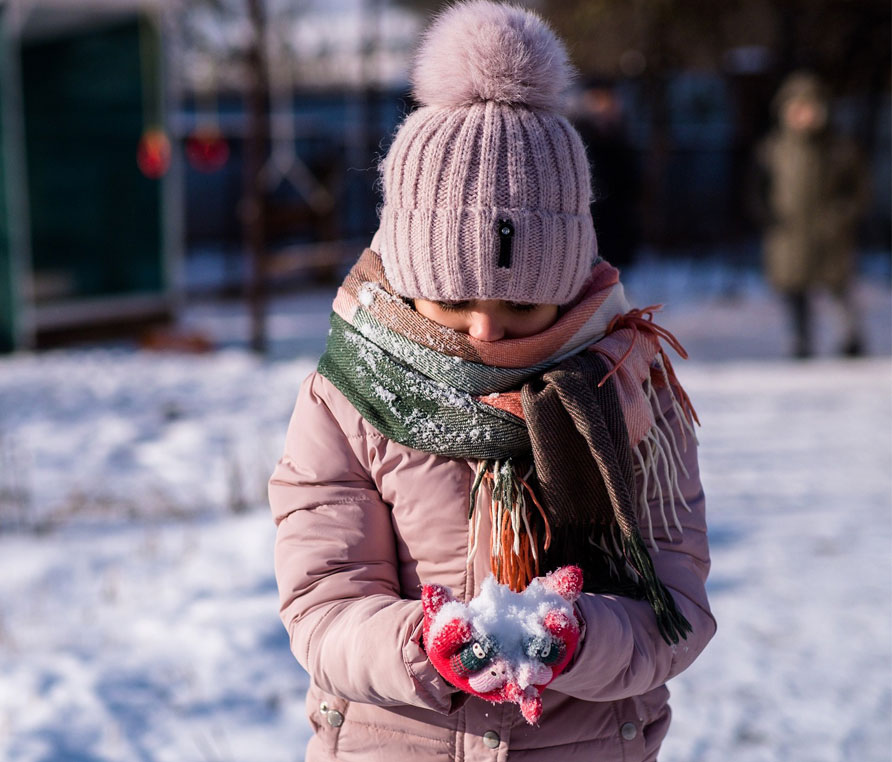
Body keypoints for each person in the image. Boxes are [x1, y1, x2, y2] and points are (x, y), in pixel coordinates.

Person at [269, 3, 715, 760]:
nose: (484, 329)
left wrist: (580, 641)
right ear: (409, 280)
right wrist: (418, 644)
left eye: (519, 303)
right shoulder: (348, 397)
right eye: (452, 300)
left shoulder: (631, 387)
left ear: (569, 281)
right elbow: (324, 602)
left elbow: (673, 606)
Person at [753, 71, 872, 358]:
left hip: (829, 232)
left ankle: (851, 338)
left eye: (810, 108)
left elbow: (859, 189)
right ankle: (800, 342)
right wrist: (769, 216)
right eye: (797, 109)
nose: (803, 115)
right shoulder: (773, 149)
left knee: (839, 288)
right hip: (789, 234)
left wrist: (842, 214)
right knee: (794, 292)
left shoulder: (840, 148)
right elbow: (756, 188)